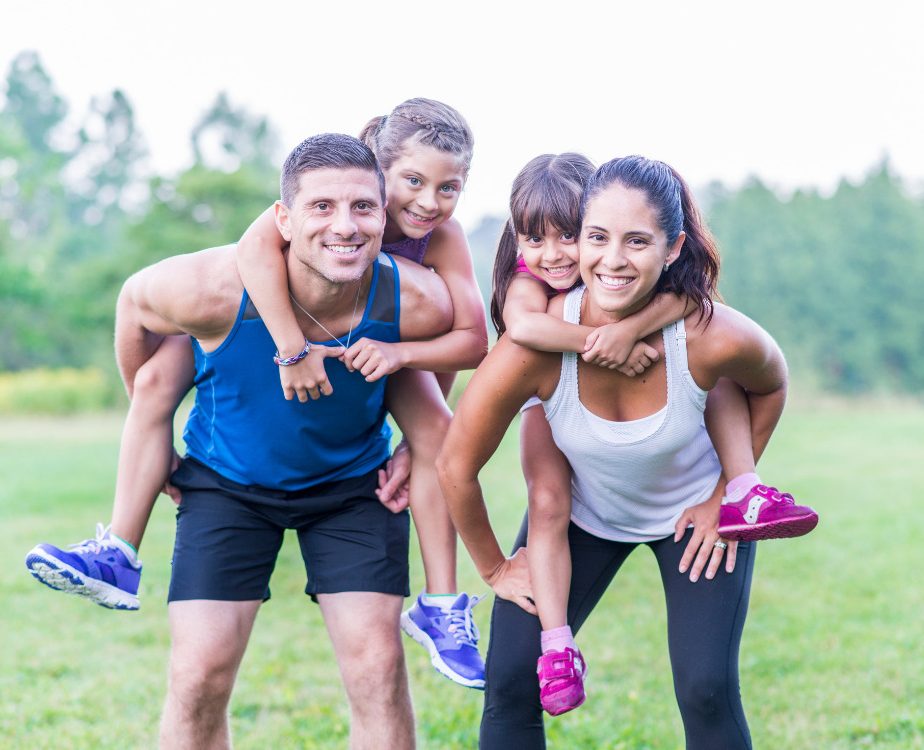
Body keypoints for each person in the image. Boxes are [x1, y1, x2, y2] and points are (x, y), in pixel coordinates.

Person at [24, 99, 491, 689]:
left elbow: (467, 339)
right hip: (273, 338)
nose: (428, 201)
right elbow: (251, 254)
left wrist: (406, 405)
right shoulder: (292, 230)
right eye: (414, 182)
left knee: (438, 432)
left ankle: (442, 603)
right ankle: (117, 550)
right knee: (155, 379)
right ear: (376, 168)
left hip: (381, 347)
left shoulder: (438, 241)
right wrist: (291, 350)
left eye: (449, 187)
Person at [438, 155, 811, 749]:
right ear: (579, 237)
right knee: (510, 680)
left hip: (695, 518)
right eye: (597, 238)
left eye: (637, 241)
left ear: (672, 248)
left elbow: (771, 382)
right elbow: (456, 465)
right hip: (582, 517)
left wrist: (723, 497)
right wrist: (493, 567)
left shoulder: (706, 333)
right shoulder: (532, 345)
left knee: (707, 687)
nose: (612, 260)